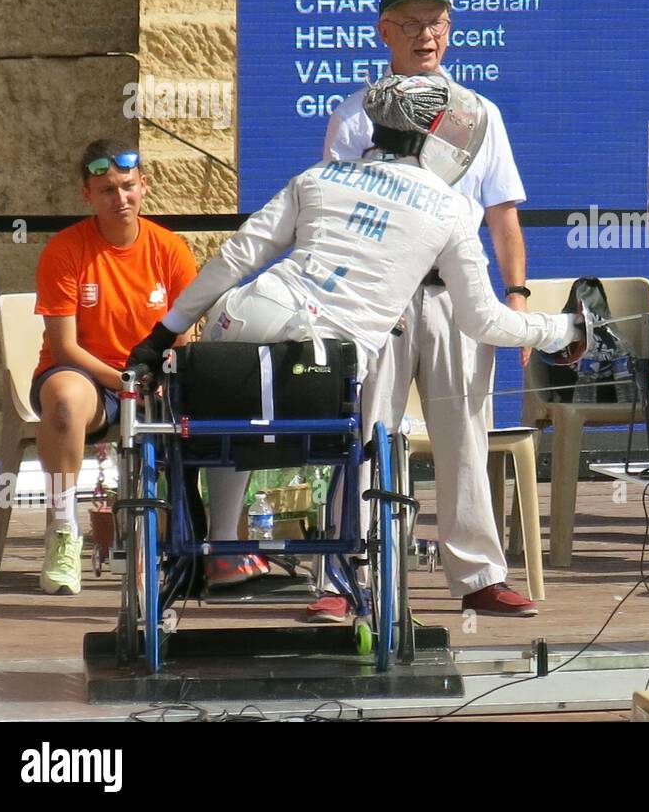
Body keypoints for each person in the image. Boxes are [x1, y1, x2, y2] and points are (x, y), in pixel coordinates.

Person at [129, 75, 580, 617]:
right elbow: (484, 320)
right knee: (355, 438)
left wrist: (160, 336)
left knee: (230, 420)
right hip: (326, 357)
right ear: (433, 137)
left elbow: (235, 258)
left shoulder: (318, 177)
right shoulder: (448, 206)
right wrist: (563, 330)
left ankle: (224, 545)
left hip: (243, 315)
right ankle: (335, 576)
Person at [321, 0, 538, 620]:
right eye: (411, 24)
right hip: (377, 294)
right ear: (384, 31)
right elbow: (331, 213)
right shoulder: (355, 113)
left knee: (466, 434)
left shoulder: (479, 113)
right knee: (364, 432)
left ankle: (478, 574)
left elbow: (502, 216)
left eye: (436, 23)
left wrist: (518, 298)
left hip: (457, 293)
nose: (426, 35)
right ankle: (341, 578)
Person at [30, 141, 198, 594]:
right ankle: (63, 532)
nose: (120, 199)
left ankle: (212, 542)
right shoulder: (66, 250)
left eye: (127, 187)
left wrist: (156, 377)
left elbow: (185, 333)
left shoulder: (170, 249)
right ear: (87, 195)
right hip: (89, 377)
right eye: (106, 190)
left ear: (144, 185)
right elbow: (63, 347)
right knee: (64, 400)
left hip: (153, 378)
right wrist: (126, 382)